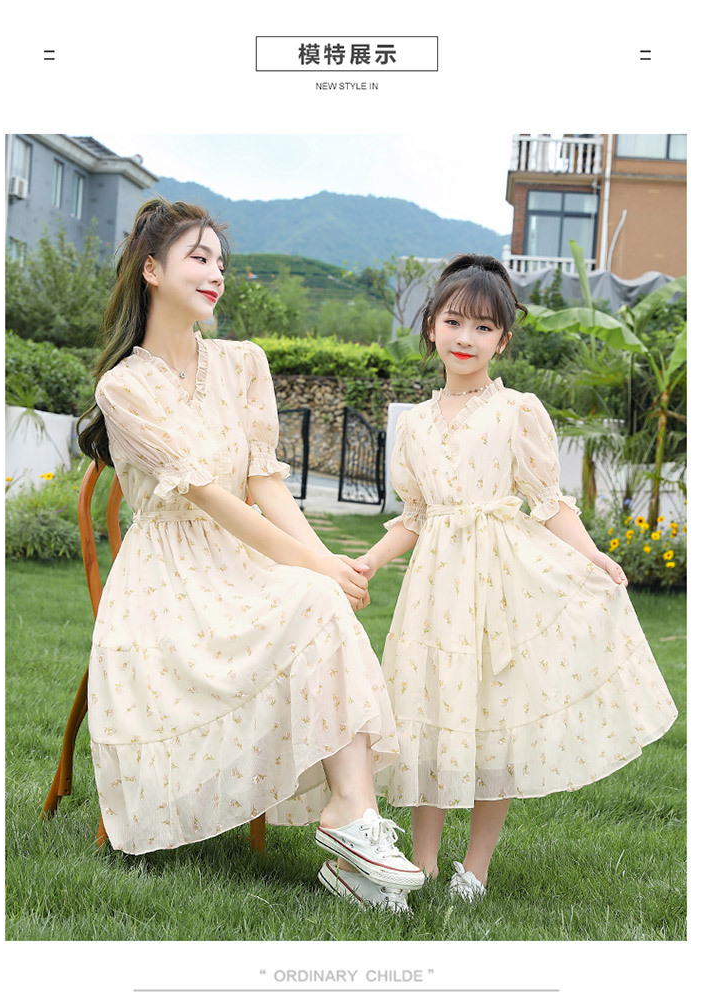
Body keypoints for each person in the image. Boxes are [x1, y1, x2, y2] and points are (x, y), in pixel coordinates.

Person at [76, 197, 423, 908]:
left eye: (221, 262)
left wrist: (326, 560)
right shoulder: (124, 387)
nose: (216, 274)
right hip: (169, 578)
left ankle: (352, 816)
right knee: (313, 591)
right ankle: (355, 832)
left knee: (320, 597)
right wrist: (314, 565)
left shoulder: (242, 364)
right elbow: (213, 499)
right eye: (198, 258)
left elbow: (263, 483)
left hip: (241, 562)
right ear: (151, 270)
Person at [353, 253, 678, 904]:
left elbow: (547, 501)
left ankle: (475, 869)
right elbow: (415, 515)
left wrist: (592, 556)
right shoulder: (413, 424)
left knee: (494, 717)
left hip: (501, 583)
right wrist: (366, 562)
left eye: (483, 327)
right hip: (433, 591)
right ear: (431, 327)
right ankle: (423, 864)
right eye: (453, 322)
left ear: (502, 340)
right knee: (429, 714)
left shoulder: (517, 411)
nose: (465, 338)